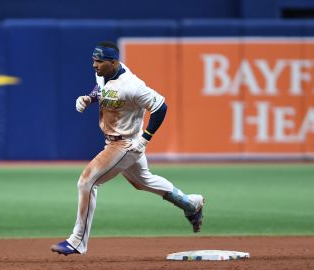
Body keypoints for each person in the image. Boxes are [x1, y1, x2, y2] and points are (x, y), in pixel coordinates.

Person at [50, 41, 204, 256]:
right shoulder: (104, 74)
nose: (94, 65)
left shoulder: (132, 85)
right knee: (144, 181)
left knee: (87, 182)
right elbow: (103, 90)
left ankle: (77, 241)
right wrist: (89, 98)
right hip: (116, 140)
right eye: (93, 61)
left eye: (99, 62)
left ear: (113, 62)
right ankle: (191, 204)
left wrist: (146, 139)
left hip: (126, 143)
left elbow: (160, 106)